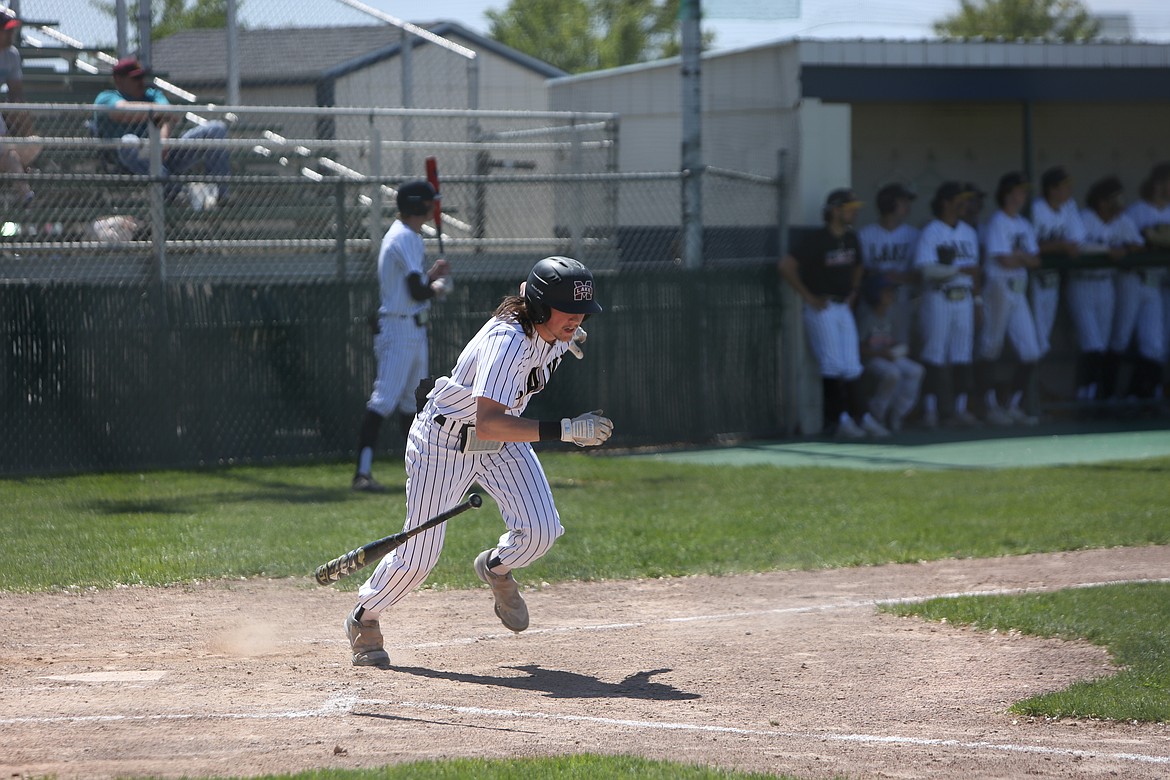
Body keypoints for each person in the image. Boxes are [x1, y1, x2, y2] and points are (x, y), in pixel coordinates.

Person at [345, 256, 611, 667]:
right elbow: (488, 422)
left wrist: (567, 333)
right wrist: (566, 430)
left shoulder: (548, 322)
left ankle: (496, 568)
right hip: (445, 442)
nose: (577, 319)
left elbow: (528, 293)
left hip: (502, 443)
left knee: (541, 531)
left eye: (582, 313)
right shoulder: (507, 343)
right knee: (419, 557)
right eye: (568, 311)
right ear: (541, 308)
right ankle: (365, 616)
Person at [352, 180, 452, 493]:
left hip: (411, 326)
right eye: (429, 203)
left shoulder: (405, 235)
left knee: (414, 403)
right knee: (384, 400)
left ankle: (419, 472)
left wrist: (431, 277)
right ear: (418, 206)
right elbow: (415, 290)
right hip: (399, 328)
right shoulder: (406, 236)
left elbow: (411, 284)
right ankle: (362, 473)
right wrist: (436, 288)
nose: (432, 208)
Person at [780, 188, 890, 439]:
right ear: (835, 211)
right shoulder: (818, 239)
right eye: (849, 208)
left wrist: (853, 290)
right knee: (832, 364)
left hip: (843, 307)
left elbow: (860, 264)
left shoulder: (851, 238)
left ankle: (861, 417)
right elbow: (786, 266)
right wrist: (807, 296)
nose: (853, 213)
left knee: (852, 365)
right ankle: (837, 420)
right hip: (823, 307)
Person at [92, 57, 231, 204]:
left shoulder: (152, 94)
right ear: (118, 80)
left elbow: (167, 116)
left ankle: (221, 196)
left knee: (216, 129)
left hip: (162, 154)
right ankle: (173, 189)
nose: (141, 81)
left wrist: (162, 142)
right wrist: (159, 113)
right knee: (128, 141)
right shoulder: (107, 97)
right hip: (129, 162)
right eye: (135, 78)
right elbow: (123, 112)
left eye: (141, 76)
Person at [976, 172, 1044, 426]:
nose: (1023, 195)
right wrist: (1022, 257)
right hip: (998, 287)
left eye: (1024, 191)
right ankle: (989, 406)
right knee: (990, 347)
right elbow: (1004, 259)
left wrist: (1021, 256)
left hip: (1018, 290)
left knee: (1031, 352)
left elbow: (1036, 260)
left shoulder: (1024, 224)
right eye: (1019, 191)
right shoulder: (998, 222)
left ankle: (1012, 405)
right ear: (1007, 193)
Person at [913, 181, 982, 428]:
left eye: (966, 199)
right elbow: (925, 269)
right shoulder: (931, 231)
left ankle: (960, 409)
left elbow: (975, 273)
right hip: (938, 296)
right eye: (959, 200)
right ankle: (931, 411)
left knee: (962, 353)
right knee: (935, 353)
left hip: (963, 297)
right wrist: (956, 270)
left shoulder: (969, 232)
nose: (965, 204)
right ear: (945, 202)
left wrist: (977, 301)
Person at [1073, 176, 1141, 405]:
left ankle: (1097, 396)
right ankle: (1084, 397)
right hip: (1082, 284)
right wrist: (1107, 250)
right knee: (1092, 345)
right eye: (1115, 198)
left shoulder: (1121, 221)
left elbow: (1138, 244)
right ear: (1102, 202)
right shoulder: (1084, 218)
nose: (1120, 203)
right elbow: (1076, 247)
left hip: (1106, 285)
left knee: (1102, 346)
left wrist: (1126, 247)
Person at [1109, 163, 1170, 404]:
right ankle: (1107, 396)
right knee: (1120, 338)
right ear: (1158, 183)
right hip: (1132, 280)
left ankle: (1142, 395)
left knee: (1154, 345)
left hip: (1157, 283)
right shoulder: (1137, 211)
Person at [1030, 166, 1086, 361]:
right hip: (1033, 280)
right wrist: (1060, 245)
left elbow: (1077, 240)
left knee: (1043, 337)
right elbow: (1029, 246)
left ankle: (1034, 388)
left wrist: (1060, 246)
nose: (1069, 190)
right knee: (1033, 338)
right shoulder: (1035, 208)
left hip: (1052, 278)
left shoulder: (1068, 206)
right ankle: (1026, 389)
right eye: (1064, 186)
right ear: (1052, 189)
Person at [857, 274, 924, 433]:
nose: (890, 295)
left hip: (886, 356)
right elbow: (858, 348)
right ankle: (877, 415)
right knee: (893, 374)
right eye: (886, 292)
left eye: (891, 291)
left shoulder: (890, 313)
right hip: (871, 359)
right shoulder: (866, 316)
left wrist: (897, 348)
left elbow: (889, 340)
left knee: (916, 370)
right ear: (874, 294)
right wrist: (881, 353)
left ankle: (897, 413)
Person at [857, 182, 920, 346]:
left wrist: (900, 276)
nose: (908, 206)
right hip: (873, 298)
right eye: (903, 202)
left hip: (902, 296)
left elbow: (920, 273)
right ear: (890, 203)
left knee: (900, 345)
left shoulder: (914, 235)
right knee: (870, 342)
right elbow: (859, 271)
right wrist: (880, 276)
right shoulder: (865, 234)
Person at [0, 15, 35, 205]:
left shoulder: (11, 54)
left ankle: (24, 163)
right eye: (6, 30)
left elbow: (16, 91)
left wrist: (17, 111)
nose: (11, 33)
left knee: (20, 109)